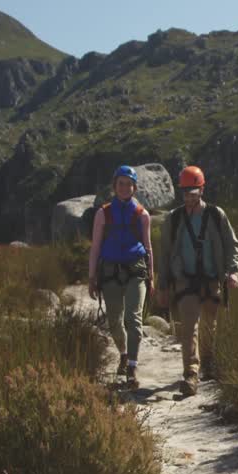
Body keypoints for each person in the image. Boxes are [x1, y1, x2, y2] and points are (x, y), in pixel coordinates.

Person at [155, 165, 238, 396]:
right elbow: (164, 254)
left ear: (202, 190)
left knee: (209, 327)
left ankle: (209, 365)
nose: (189, 197)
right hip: (185, 281)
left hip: (212, 280)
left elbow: (232, 245)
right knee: (189, 328)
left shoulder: (216, 215)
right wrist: (162, 285)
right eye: (185, 193)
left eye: (193, 193)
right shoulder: (174, 219)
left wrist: (233, 271)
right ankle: (191, 375)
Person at [88, 165, 155, 389]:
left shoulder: (142, 215)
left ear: (134, 187)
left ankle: (132, 368)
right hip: (110, 271)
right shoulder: (103, 213)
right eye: (121, 184)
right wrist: (92, 277)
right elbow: (96, 246)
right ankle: (124, 353)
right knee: (114, 320)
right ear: (115, 186)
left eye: (129, 184)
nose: (125, 188)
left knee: (133, 319)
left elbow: (148, 248)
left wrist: (151, 276)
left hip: (136, 269)